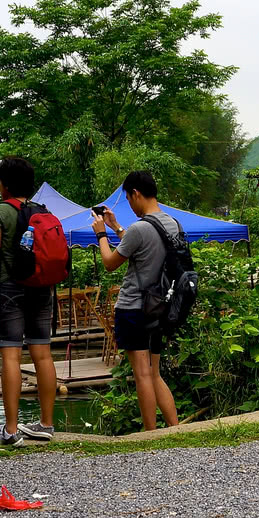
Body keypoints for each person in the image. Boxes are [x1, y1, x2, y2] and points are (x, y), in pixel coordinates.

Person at [92, 169, 181, 432]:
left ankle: (150, 434)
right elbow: (141, 248)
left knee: (141, 374)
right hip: (159, 307)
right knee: (154, 374)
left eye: (130, 200)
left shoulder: (139, 228)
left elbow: (110, 263)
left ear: (136, 193)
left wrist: (101, 234)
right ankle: (175, 429)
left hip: (133, 308)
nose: (130, 205)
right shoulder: (172, 223)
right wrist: (116, 226)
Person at [0, 155, 58, 446]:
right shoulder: (43, 210)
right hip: (40, 288)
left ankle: (11, 430)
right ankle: (46, 424)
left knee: (11, 356)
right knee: (43, 355)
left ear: (5, 186)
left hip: (9, 289)